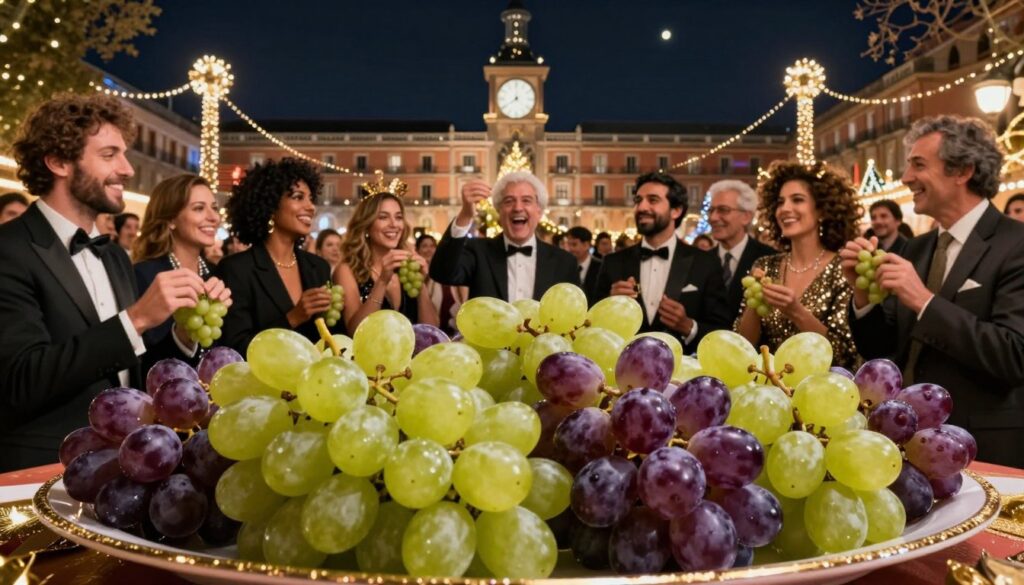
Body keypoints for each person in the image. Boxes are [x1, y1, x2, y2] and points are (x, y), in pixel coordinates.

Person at [0, 94, 224, 470]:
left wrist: (182, 335)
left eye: (124, 153)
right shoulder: (11, 249)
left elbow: (127, 374)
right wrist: (135, 319)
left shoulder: (115, 256)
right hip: (40, 471)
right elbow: (19, 381)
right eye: (109, 155)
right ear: (58, 162)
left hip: (121, 467)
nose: (127, 169)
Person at [842, 115, 1024, 468]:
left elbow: (1014, 356)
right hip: (912, 446)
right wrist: (863, 300)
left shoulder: (1015, 244)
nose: (906, 178)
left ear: (962, 171)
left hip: (985, 447)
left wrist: (924, 302)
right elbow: (883, 350)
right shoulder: (917, 249)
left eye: (918, 165)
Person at [735, 160, 862, 370]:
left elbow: (843, 355)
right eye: (780, 202)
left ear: (822, 210)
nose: (785, 209)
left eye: (797, 200)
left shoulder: (844, 269)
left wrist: (796, 311)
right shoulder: (765, 265)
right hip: (769, 391)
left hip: (823, 393)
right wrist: (754, 304)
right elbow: (742, 349)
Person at [596, 172, 732, 353]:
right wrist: (609, 305)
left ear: (676, 210)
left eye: (652, 200)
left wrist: (688, 326)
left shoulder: (705, 263)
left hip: (682, 375)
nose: (641, 207)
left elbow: (722, 331)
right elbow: (592, 327)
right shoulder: (612, 262)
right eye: (638, 200)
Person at [217, 158, 341, 353]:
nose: (311, 207)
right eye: (299, 197)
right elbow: (235, 348)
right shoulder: (237, 269)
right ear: (271, 206)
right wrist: (293, 317)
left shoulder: (318, 267)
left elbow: (330, 340)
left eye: (310, 198)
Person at [133, 174, 232, 371]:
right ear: (171, 219)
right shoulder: (144, 275)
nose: (213, 217)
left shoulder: (217, 275)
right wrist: (183, 335)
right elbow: (142, 361)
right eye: (198, 208)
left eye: (214, 207)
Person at [430, 172, 579, 301]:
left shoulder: (565, 262)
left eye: (526, 200)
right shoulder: (478, 251)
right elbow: (442, 273)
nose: (518, 208)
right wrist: (465, 214)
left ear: (539, 211)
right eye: (509, 201)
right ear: (499, 211)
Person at [334, 190, 439, 332]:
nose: (394, 224)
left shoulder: (407, 266)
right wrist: (382, 281)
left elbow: (432, 330)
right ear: (366, 225)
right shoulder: (348, 269)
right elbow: (355, 331)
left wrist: (421, 286)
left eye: (399, 217)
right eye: (383, 217)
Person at [706, 179, 776, 319]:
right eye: (711, 210)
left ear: (746, 217)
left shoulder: (770, 259)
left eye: (723, 210)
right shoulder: (700, 261)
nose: (713, 217)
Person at [416, 233, 466, 336]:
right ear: (417, 251)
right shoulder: (415, 278)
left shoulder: (448, 274)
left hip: (456, 335)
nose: (429, 249)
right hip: (429, 335)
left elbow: (465, 302)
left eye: (432, 246)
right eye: (424, 246)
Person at [565, 226, 602, 305]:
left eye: (574, 244)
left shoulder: (600, 267)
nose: (570, 249)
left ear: (586, 245)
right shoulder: (563, 266)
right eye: (568, 244)